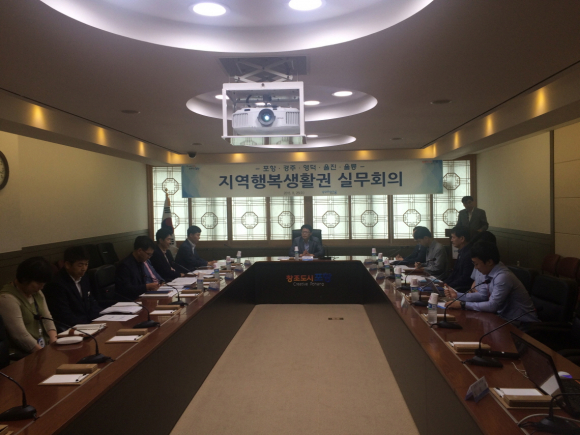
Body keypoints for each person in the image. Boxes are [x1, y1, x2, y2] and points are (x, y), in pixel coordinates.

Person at [444, 241, 539, 323]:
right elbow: (483, 296)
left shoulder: (503, 277)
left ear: (489, 262)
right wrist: (457, 295)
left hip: (522, 323)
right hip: (504, 319)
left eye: (477, 264)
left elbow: (492, 306)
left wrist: (462, 304)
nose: (476, 268)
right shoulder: (489, 271)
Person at [0, 257, 57, 355]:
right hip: (24, 355)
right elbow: (20, 336)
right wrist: (45, 354)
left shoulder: (37, 292)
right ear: (24, 278)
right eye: (38, 283)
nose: (41, 287)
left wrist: (54, 345)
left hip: (44, 349)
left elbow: (47, 319)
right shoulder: (7, 298)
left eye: (43, 284)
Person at [43, 246, 102, 329]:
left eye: (86, 264)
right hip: (73, 327)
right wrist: (88, 326)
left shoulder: (84, 277)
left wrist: (100, 319)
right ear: (67, 265)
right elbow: (64, 315)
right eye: (80, 265)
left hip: (90, 323)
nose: (84, 268)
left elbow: (91, 301)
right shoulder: (56, 284)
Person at [443, 226, 474, 292]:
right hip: (455, 286)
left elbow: (465, 278)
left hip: (463, 289)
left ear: (462, 239)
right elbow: (455, 272)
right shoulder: (462, 251)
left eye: (453, 237)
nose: (451, 240)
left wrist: (449, 286)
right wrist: (444, 283)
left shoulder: (469, 254)